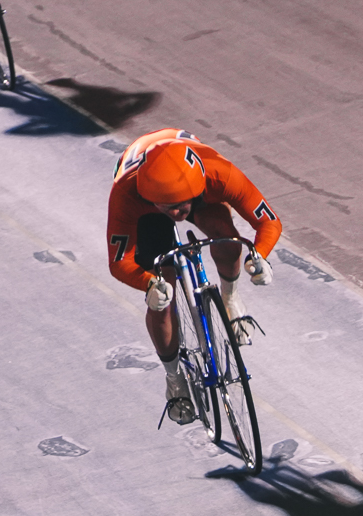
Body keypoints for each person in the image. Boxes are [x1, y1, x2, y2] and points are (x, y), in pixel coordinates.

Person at [106, 129, 280, 423]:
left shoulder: (219, 174)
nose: (176, 213)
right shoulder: (127, 193)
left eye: (182, 206)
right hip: (144, 205)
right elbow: (118, 261)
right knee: (162, 299)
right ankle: (174, 379)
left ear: (197, 189)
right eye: (168, 207)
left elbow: (269, 223)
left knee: (227, 237)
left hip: (193, 185)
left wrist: (259, 255)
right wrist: (148, 283)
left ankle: (230, 297)